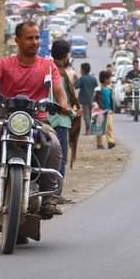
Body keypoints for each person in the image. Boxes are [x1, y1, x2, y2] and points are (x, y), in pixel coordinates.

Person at [0, 21, 70, 216]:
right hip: (5, 118)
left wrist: (63, 105)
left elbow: (58, 91)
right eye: (29, 38)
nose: (34, 42)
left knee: (55, 143)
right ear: (17, 40)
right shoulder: (4, 64)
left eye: (36, 38)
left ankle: (50, 197)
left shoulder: (48, 67)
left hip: (37, 119)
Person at [49, 39, 81, 196]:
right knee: (60, 158)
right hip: (60, 122)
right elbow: (61, 103)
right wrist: (75, 113)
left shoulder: (46, 70)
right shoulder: (62, 75)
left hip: (45, 120)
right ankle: (55, 193)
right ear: (66, 55)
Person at [74, 62, 98, 135]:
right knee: (91, 115)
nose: (80, 71)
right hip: (92, 100)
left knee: (86, 116)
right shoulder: (93, 78)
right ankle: (92, 130)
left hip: (84, 100)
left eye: (81, 69)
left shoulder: (82, 78)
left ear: (83, 70)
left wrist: (76, 79)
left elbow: (76, 86)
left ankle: (88, 130)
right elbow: (96, 88)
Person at [94, 70, 116, 150]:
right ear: (105, 79)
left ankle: (111, 142)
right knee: (100, 128)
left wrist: (113, 109)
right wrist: (95, 105)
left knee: (109, 126)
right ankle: (99, 144)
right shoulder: (98, 89)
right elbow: (94, 99)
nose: (110, 80)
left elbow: (111, 100)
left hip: (109, 111)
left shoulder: (110, 89)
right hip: (100, 111)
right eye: (109, 78)